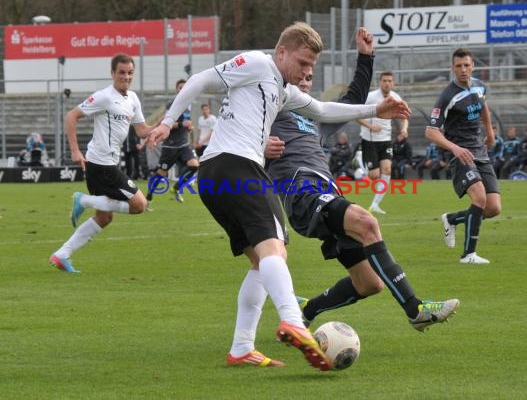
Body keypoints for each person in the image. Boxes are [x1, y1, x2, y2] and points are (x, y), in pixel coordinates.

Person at [146, 22, 411, 371]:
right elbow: (199, 80)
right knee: (276, 249)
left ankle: (242, 347)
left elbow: (323, 110)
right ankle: (294, 322)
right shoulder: (257, 64)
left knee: (260, 262)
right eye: (302, 63)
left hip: (216, 177)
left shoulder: (283, 92)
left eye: (311, 66)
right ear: (281, 52)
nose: (307, 72)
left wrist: (375, 111)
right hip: (235, 165)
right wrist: (168, 120)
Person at [265, 27, 458, 334]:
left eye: (309, 78)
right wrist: (261, 147)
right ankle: (415, 308)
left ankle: (306, 309)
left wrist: (366, 56)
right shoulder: (269, 111)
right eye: (299, 74)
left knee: (369, 283)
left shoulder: (315, 117)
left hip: (325, 194)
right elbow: (235, 143)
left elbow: (353, 99)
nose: (304, 80)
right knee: (367, 222)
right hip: (303, 195)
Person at [49, 53, 154, 273]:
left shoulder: (132, 99)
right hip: (100, 165)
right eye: (122, 73)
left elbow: (142, 130)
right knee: (140, 205)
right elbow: (71, 116)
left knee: (104, 217)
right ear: (112, 73)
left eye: (130, 73)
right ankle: (84, 200)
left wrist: (163, 127)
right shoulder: (104, 97)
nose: (126, 77)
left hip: (110, 164)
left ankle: (62, 255)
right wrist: (76, 151)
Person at [426, 47, 502, 264]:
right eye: (458, 66)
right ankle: (468, 255)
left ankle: (451, 219)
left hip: (480, 151)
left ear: (473, 66)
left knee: (493, 207)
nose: (463, 70)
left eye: (467, 65)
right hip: (460, 154)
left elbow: (483, 105)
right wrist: (455, 148)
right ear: (452, 68)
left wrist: (490, 132)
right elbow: (430, 131)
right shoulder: (446, 96)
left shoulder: (479, 86)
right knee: (479, 197)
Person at [357, 71, 409, 214]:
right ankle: (360, 167)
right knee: (374, 175)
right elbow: (356, 115)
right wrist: (370, 126)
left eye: (389, 81)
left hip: (386, 140)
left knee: (387, 170)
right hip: (369, 140)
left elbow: (404, 117)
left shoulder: (396, 98)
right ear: (380, 82)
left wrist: (404, 129)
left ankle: (375, 204)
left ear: (393, 83)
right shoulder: (371, 97)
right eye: (384, 80)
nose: (387, 83)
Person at [146, 79, 198, 207]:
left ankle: (176, 188)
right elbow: (166, 124)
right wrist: (181, 124)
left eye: (184, 87)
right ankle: (148, 196)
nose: (182, 89)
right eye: (180, 87)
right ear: (176, 89)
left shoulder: (188, 104)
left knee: (194, 165)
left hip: (184, 145)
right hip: (170, 146)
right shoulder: (173, 104)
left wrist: (189, 127)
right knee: (161, 174)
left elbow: (186, 123)